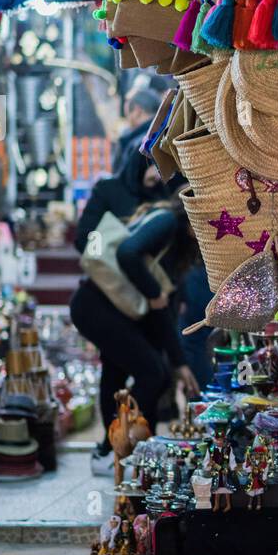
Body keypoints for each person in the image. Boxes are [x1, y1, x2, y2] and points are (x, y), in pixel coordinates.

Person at [71, 194, 201, 475]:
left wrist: (179, 363)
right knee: (152, 373)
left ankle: (130, 453)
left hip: (116, 310)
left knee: (133, 373)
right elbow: (127, 253)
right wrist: (154, 293)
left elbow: (163, 312)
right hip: (95, 305)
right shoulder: (167, 221)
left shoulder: (180, 244)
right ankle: (120, 452)